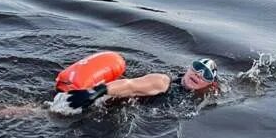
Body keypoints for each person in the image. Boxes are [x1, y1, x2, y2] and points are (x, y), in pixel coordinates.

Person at [48, 57, 219, 115]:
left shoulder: (204, 95)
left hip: (122, 109)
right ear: (188, 69)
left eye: (205, 74)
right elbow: (130, 85)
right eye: (196, 67)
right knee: (47, 113)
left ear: (210, 83)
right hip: (106, 102)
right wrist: (94, 93)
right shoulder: (163, 81)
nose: (198, 74)